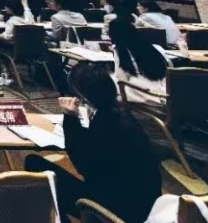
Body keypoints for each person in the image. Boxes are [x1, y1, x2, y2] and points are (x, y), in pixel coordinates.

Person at [26, 63, 161, 223]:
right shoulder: (122, 115)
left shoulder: (105, 123)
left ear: (83, 96)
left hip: (112, 210)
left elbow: (83, 165)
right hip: (147, 207)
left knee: (34, 164)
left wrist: (70, 118)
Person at [108, 17, 168, 105]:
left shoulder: (121, 51)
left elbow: (120, 77)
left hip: (142, 93)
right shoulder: (156, 48)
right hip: (163, 92)